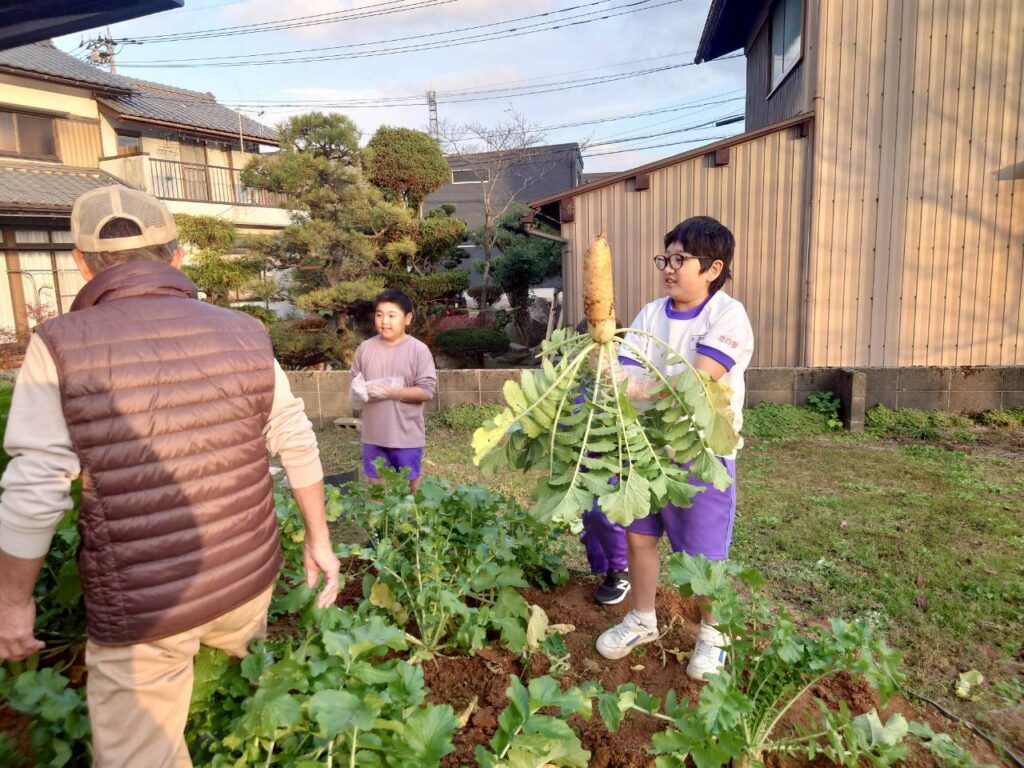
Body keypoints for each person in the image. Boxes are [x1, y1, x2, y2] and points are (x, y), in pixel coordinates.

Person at [0, 185, 340, 768]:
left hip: (145, 608)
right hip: (247, 580)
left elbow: (36, 484)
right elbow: (294, 435)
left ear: (81, 263)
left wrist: (11, 600)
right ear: (178, 256)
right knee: (243, 711)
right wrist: (320, 540)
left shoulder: (59, 344)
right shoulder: (244, 330)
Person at [595, 216, 754, 681]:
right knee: (639, 537)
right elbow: (622, 370)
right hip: (645, 448)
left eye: (680, 259)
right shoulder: (650, 314)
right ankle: (643, 618)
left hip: (700, 451)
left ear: (712, 267)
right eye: (665, 257)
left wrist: (638, 387)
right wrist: (608, 373)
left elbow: (698, 379)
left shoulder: (727, 315)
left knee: (700, 556)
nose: (668, 267)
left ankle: (713, 634)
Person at [351, 289, 436, 492]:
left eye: (391, 315)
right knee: (378, 493)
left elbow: (426, 391)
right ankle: (383, 524)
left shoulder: (418, 350)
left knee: (410, 493)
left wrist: (392, 392)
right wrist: (359, 390)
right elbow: (355, 384)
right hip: (373, 435)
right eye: (379, 315)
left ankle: (411, 522)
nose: (384, 321)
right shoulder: (365, 348)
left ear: (407, 318)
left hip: (406, 436)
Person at [573, 319, 630, 605]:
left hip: (613, 459)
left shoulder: (623, 379)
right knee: (589, 520)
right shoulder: (578, 382)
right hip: (585, 461)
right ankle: (606, 569)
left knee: (603, 513)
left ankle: (621, 572)